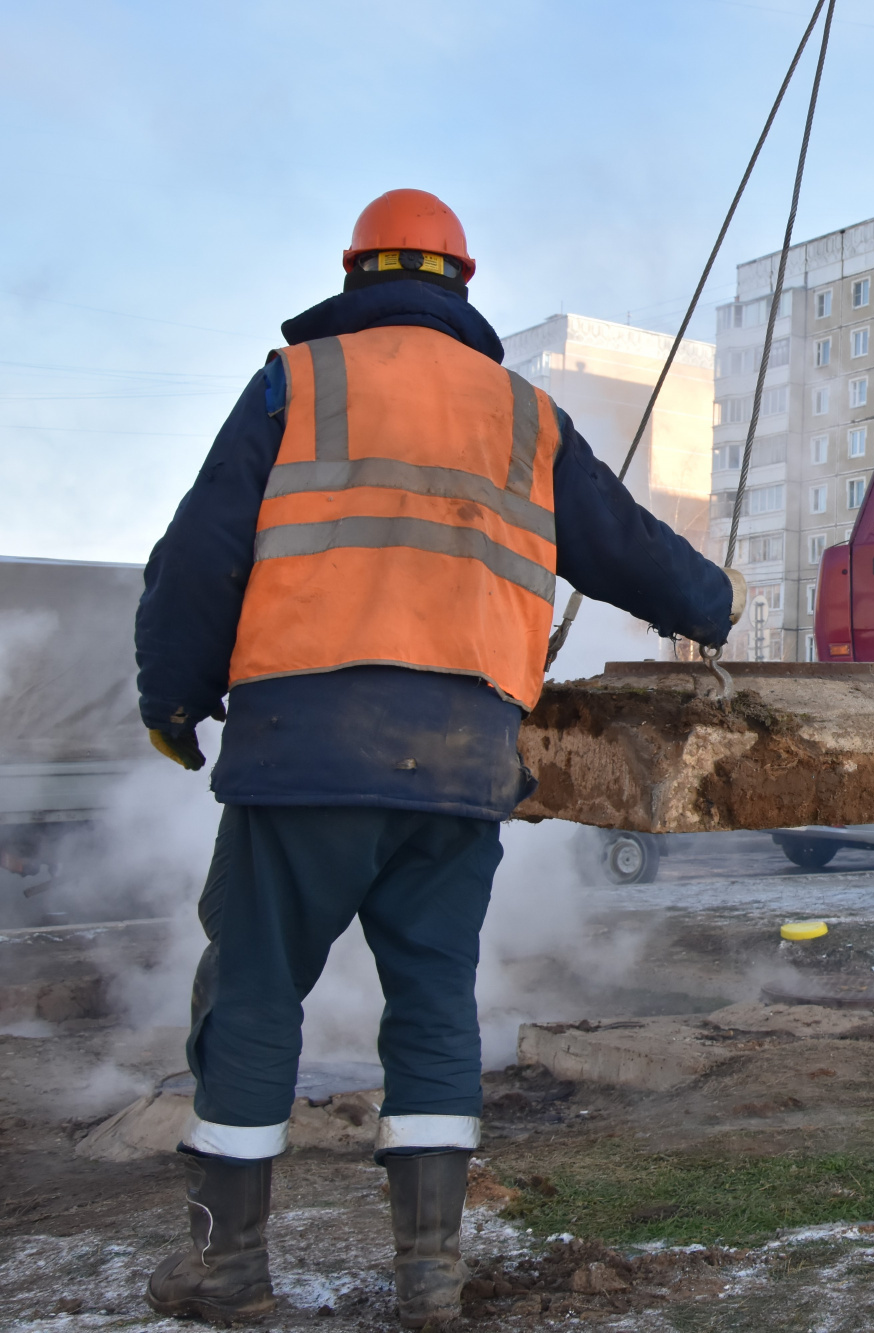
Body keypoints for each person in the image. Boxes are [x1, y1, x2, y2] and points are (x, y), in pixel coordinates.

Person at [133, 189, 743, 1328]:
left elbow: (197, 557)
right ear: (463, 285)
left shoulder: (293, 384)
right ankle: (430, 1278)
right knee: (432, 1004)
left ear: (355, 277)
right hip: (462, 770)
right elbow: (627, 550)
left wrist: (172, 701)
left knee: (257, 993)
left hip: (301, 758)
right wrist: (715, 600)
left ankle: (229, 1272)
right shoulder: (521, 412)